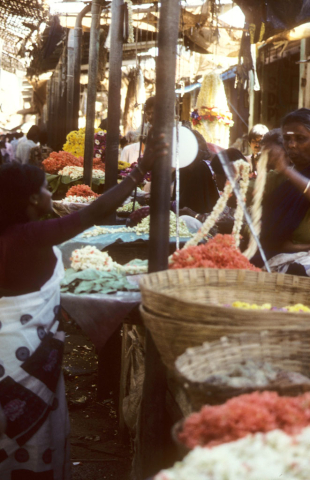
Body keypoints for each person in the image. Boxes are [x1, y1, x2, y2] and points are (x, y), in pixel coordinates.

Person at [0, 132, 167, 479]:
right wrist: (141, 170)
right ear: (32, 198)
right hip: (23, 355)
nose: (51, 193)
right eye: (46, 189)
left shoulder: (17, 233)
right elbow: (95, 212)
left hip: (13, 353)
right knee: (29, 441)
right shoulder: (29, 238)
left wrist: (127, 211)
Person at [253, 108, 310, 275]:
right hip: (277, 254)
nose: (291, 145)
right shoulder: (278, 179)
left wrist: (286, 170)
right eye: (287, 139)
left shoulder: (287, 174)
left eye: (300, 139)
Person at [121, 97, 155, 165]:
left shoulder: (170, 128)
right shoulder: (145, 127)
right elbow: (137, 135)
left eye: (153, 113)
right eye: (148, 113)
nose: (150, 117)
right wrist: (130, 136)